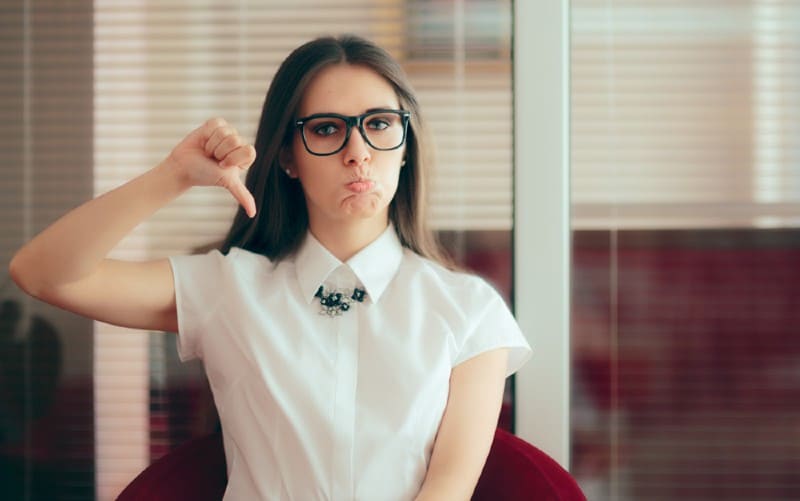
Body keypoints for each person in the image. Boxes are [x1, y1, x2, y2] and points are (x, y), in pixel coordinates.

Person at [9, 34, 532, 500]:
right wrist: (173, 175)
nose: (358, 152)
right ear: (286, 157)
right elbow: (43, 274)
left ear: (405, 146)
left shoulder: (468, 311)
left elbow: (448, 489)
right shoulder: (227, 288)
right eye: (327, 129)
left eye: (378, 124)